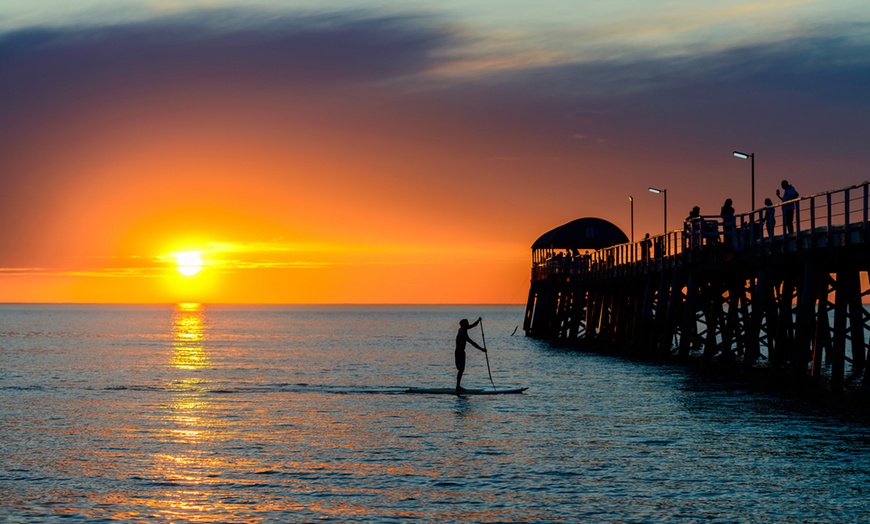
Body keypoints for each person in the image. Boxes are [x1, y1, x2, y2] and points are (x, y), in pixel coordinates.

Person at [455, 317, 486, 391]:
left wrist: (478, 321)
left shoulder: (462, 329)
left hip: (460, 352)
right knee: (461, 370)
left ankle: (458, 386)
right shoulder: (462, 333)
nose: (468, 325)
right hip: (459, 353)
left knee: (461, 370)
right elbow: (472, 343)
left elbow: (473, 325)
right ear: (463, 325)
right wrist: (482, 349)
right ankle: (458, 387)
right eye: (467, 324)